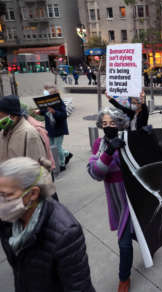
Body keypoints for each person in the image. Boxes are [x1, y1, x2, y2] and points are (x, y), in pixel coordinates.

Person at [0, 157, 95, 292]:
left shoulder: (65, 233)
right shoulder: (9, 218)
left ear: (33, 193)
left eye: (6, 195)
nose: (2, 201)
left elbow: (79, 287)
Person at [87, 107, 133, 292]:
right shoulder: (99, 144)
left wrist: (148, 140)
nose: (108, 127)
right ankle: (124, 278)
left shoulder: (130, 139)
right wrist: (108, 152)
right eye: (104, 124)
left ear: (120, 124)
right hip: (118, 199)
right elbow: (95, 173)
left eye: (112, 123)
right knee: (124, 242)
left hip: (136, 195)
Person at [0, 95, 47, 163]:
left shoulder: (29, 134)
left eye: (1, 116)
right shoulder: (3, 132)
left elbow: (37, 168)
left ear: (13, 116)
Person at [37, 88, 72, 172]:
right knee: (52, 146)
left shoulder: (60, 103)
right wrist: (40, 112)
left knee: (57, 147)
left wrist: (54, 112)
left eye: (50, 95)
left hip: (59, 129)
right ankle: (67, 154)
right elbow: (45, 112)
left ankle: (62, 164)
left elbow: (64, 115)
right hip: (50, 129)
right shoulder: (47, 104)